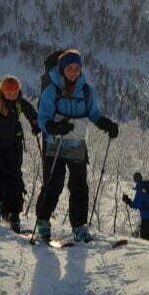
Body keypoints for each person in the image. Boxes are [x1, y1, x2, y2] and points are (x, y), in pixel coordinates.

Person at [35, 49, 119, 242]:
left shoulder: (86, 91)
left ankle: (79, 227)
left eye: (77, 68)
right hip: (54, 146)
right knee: (53, 184)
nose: (73, 71)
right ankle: (43, 221)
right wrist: (54, 127)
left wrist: (106, 124)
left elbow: (94, 114)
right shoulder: (52, 90)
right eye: (70, 68)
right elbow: (42, 119)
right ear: (62, 69)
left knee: (79, 187)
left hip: (77, 144)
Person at [0, 75, 39, 232]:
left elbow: (31, 112)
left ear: (18, 91)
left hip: (13, 146)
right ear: (2, 91)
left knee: (15, 177)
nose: (11, 95)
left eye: (14, 92)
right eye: (8, 93)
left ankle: (14, 214)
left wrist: (36, 125)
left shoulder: (19, 102)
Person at [122, 172, 149, 241]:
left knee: (145, 234)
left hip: (147, 215)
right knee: (147, 233)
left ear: (135, 179)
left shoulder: (141, 190)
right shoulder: (146, 186)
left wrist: (127, 200)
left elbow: (135, 205)